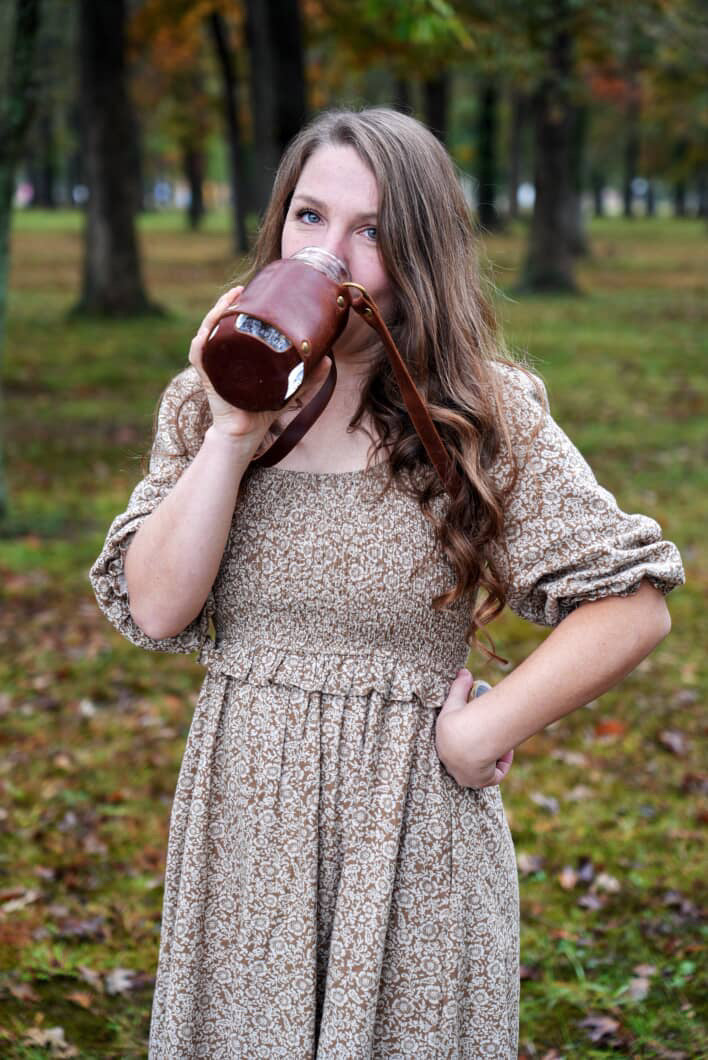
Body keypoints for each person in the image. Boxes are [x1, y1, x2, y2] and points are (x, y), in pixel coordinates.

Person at [89, 107, 684, 1059]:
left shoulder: (481, 414)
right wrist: (235, 431)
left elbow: (632, 602)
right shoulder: (204, 402)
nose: (333, 254)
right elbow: (158, 607)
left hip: (409, 834)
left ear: (421, 252)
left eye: (373, 230)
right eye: (310, 218)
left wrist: (482, 730)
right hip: (248, 823)